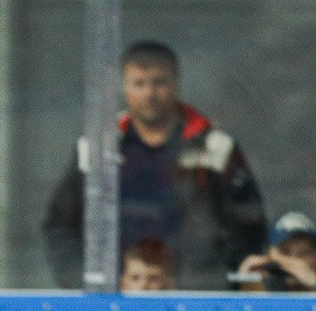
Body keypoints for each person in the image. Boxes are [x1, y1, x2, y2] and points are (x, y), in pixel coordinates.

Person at [42, 41, 268, 291]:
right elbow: (61, 227)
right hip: (113, 304)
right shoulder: (96, 149)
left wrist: (218, 282)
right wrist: (83, 282)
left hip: (196, 302)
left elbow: (249, 225)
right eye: (138, 84)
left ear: (176, 84)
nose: (149, 93)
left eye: (159, 82)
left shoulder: (216, 148)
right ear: (123, 88)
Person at [234, 212, 316, 293]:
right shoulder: (258, 281)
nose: (295, 261)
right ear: (267, 255)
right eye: (285, 252)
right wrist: (243, 284)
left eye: (305, 254)